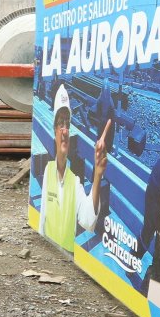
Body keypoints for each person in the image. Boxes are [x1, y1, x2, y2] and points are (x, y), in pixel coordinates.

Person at [39, 84, 110, 252]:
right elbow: (42, 220)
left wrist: (98, 175)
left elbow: (87, 220)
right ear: (54, 130)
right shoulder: (48, 170)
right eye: (60, 124)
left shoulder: (74, 182)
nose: (64, 130)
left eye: (67, 124)